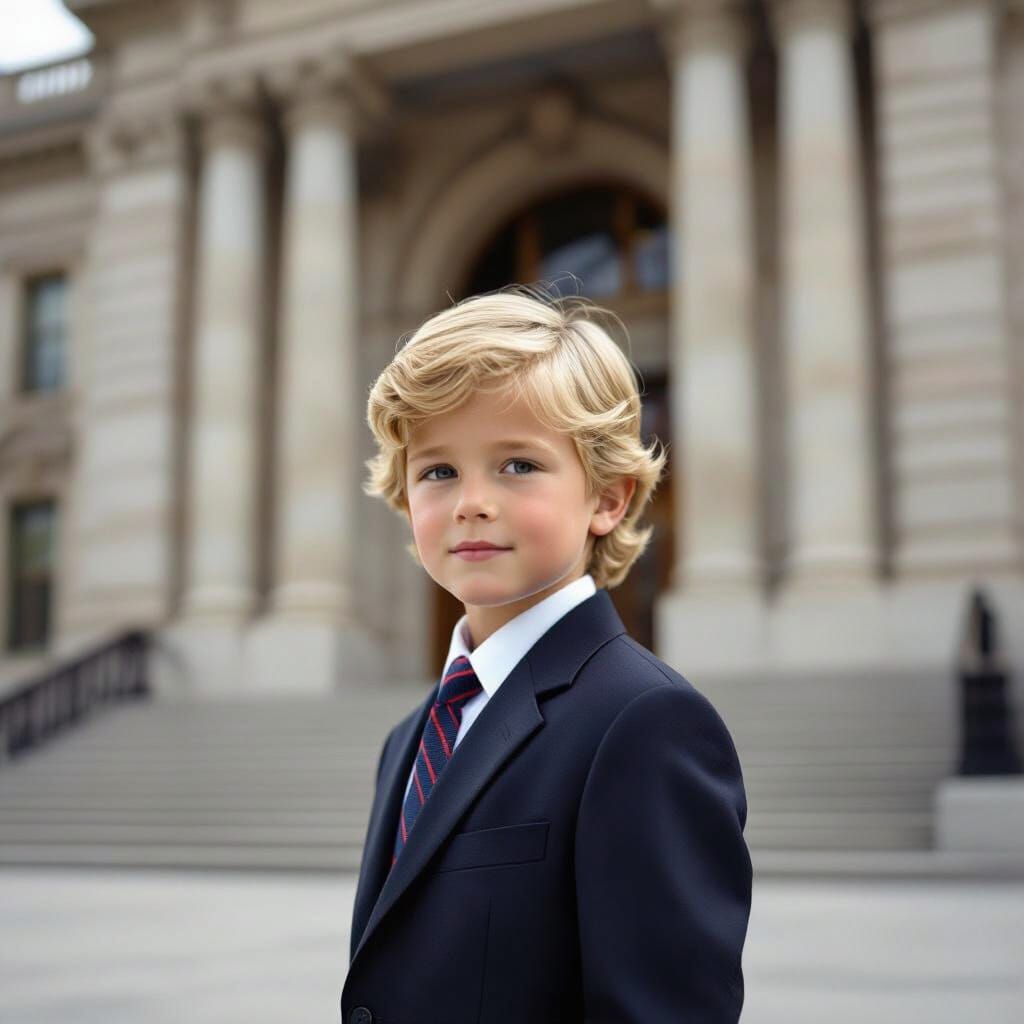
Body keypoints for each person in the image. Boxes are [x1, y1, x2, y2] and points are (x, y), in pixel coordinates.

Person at [341, 284, 752, 1024]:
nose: (471, 501)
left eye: (517, 465)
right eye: (438, 470)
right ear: (403, 493)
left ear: (609, 497)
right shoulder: (409, 739)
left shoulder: (646, 723)